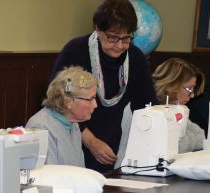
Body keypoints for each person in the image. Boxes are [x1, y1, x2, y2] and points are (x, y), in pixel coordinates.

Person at [51, 0, 158, 172]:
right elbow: (59, 104)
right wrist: (91, 142)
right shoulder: (76, 51)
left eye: (126, 38)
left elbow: (146, 105)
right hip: (74, 140)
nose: (120, 45)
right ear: (98, 30)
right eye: (113, 37)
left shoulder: (136, 59)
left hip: (109, 145)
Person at [115, 58, 206, 168]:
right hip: (129, 170)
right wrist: (187, 140)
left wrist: (186, 140)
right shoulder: (141, 108)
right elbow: (175, 146)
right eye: (189, 89)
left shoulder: (175, 109)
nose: (191, 96)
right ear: (173, 84)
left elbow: (201, 137)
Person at [26, 66, 97, 167]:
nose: (95, 105)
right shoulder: (41, 128)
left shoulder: (73, 124)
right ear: (68, 102)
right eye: (90, 99)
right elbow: (49, 177)